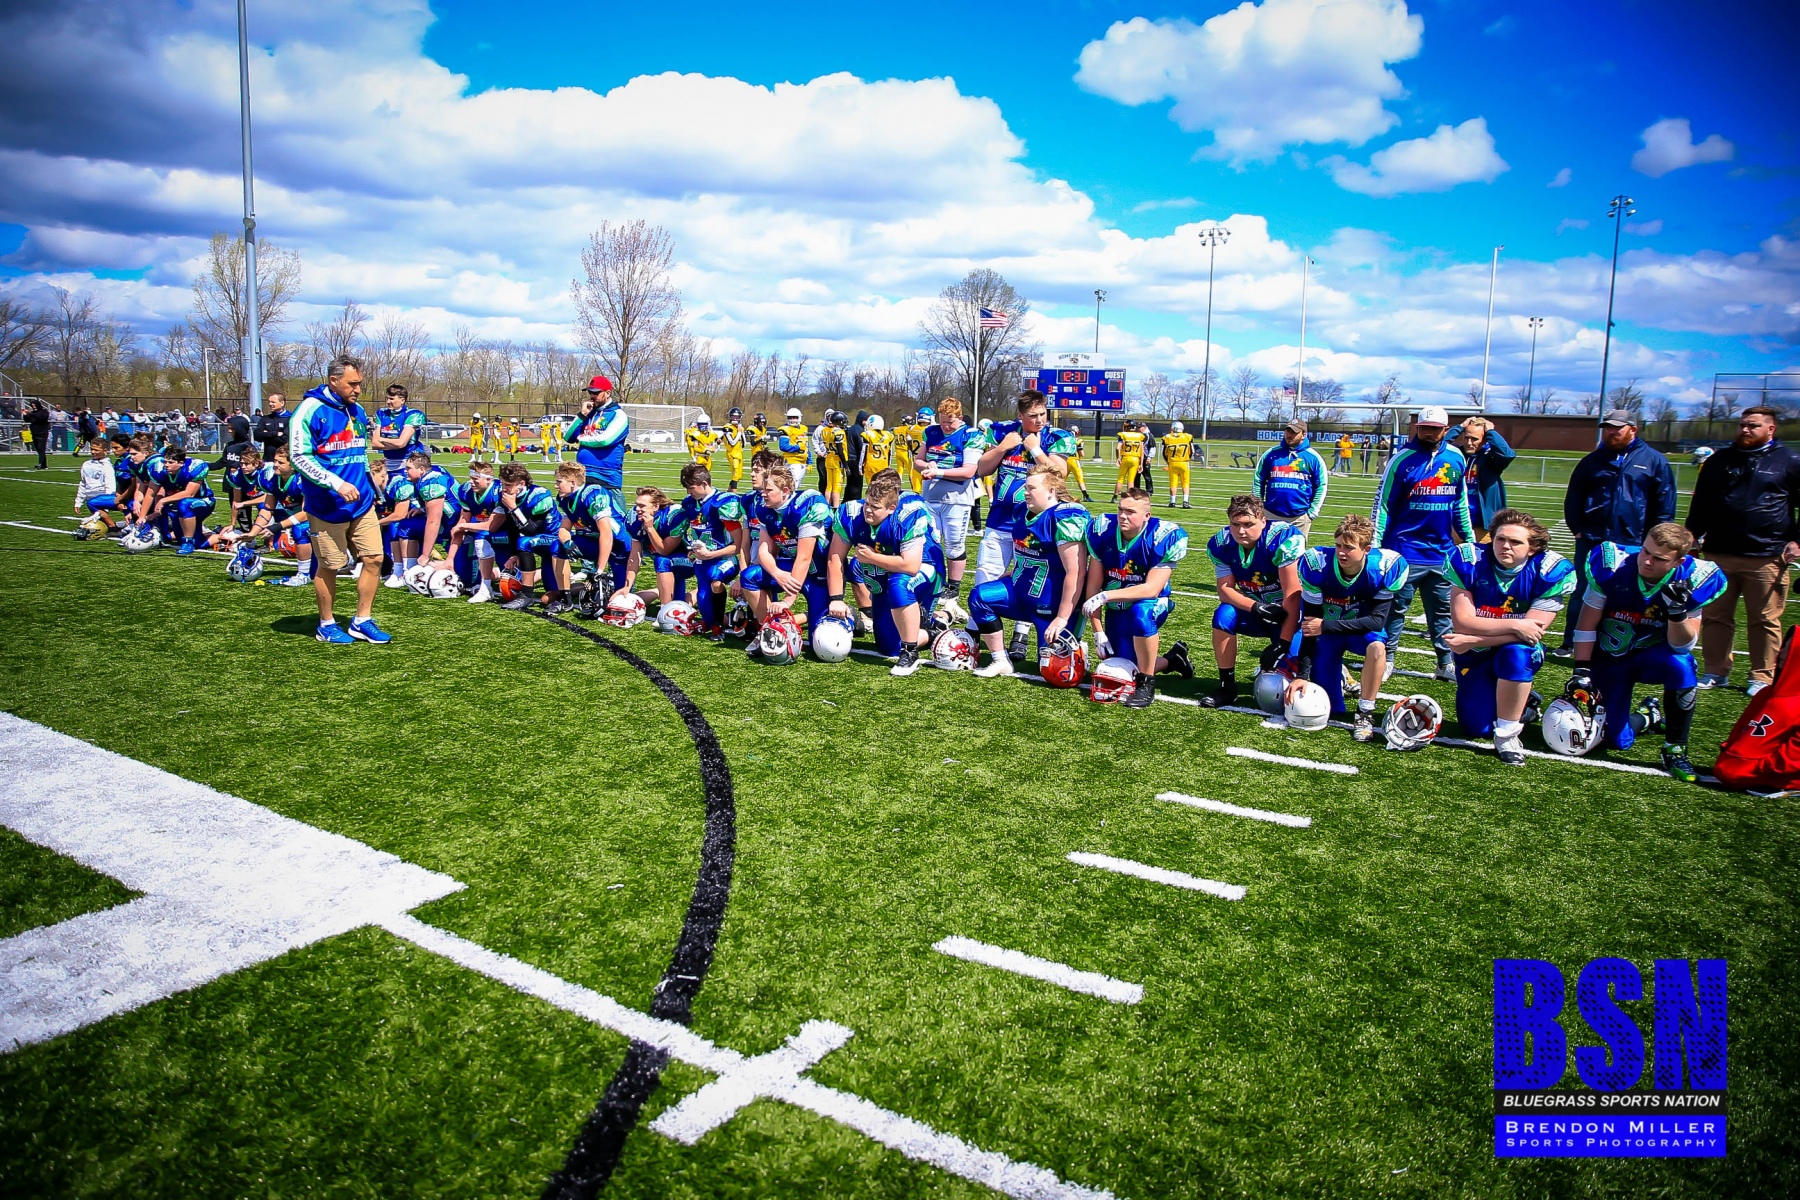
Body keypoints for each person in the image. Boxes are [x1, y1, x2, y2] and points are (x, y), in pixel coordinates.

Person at [1569, 523, 1727, 782]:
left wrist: (1677, 613)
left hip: (1653, 657)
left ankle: (1675, 749)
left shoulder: (1693, 578)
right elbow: (1586, 624)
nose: (1647, 561)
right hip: (1611, 656)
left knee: (1682, 664)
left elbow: (1682, 646)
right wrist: (1582, 669)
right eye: (1645, 551)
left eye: (1659, 558)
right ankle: (1647, 717)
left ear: (1679, 562)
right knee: (1614, 739)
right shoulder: (1613, 566)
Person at [1442, 509, 1574, 765]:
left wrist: (1475, 639)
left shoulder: (1548, 570)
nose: (1505, 546)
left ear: (1532, 548)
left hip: (1511, 650)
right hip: (1476, 655)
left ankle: (1508, 735)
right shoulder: (1470, 561)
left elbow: (1531, 635)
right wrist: (1516, 623)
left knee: (1517, 654)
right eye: (1500, 539)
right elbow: (1464, 622)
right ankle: (1525, 703)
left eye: (1515, 542)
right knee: (1476, 728)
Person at [1685, 405, 1800, 696]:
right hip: (1718, 552)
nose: (1745, 430)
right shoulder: (1719, 460)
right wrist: (1692, 536)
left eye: (1753, 425)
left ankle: (1762, 676)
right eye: (1742, 424)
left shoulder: (1790, 461)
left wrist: (1797, 542)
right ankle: (1715, 670)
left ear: (1771, 429)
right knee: (1715, 616)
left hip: (1767, 554)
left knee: (1764, 619)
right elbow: (1702, 503)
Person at [1557, 409, 1677, 655]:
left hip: (1634, 541)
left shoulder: (1654, 461)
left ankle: (1622, 642)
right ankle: (1571, 642)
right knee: (1584, 590)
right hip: (1593, 539)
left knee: (1628, 592)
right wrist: (1577, 528)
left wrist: (1655, 539)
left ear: (1633, 429)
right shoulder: (1591, 461)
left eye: (1617, 427)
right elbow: (1574, 496)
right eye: (1608, 427)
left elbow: (1664, 502)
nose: (1611, 432)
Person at [1371, 405, 1475, 681]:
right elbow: (1383, 504)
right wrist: (1376, 545)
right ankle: (1387, 658)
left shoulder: (1456, 458)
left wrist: (1469, 540)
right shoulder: (1401, 459)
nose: (1429, 432)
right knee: (1395, 609)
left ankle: (1444, 662)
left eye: (1434, 428)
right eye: (1424, 427)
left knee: (1442, 611)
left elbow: (1460, 502)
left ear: (1445, 429)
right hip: (1404, 549)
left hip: (1442, 552)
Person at [291, 357, 388, 644]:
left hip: (362, 503)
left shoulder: (357, 411)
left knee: (374, 558)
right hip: (327, 505)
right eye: (352, 384)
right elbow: (299, 457)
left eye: (360, 383)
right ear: (333, 381)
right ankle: (326, 624)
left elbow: (358, 453)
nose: (358, 389)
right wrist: (336, 483)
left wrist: (370, 487)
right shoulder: (309, 410)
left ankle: (362, 620)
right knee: (331, 565)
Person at [974, 390, 1077, 657]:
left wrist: (1035, 449)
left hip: (1035, 525)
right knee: (986, 576)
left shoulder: (1057, 437)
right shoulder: (1003, 432)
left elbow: (1059, 475)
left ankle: (1021, 634)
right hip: (1000, 520)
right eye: (1033, 415)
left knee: (1030, 580)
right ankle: (979, 635)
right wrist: (1002, 447)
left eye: (1043, 414)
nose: (1040, 419)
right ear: (1020, 415)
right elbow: (982, 469)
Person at [969, 463, 1091, 678]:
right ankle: (1000, 660)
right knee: (980, 597)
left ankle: (1078, 645)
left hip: (1052, 605)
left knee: (1057, 674)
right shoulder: (1022, 511)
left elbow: (1076, 572)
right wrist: (1018, 569)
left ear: (1051, 491)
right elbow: (1027, 547)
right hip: (1021, 592)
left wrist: (1062, 618)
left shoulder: (1066, 518)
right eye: (1026, 487)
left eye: (1031, 488)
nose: (1025, 493)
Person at [1298, 513, 1409, 741]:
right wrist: (1302, 675)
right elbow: (1310, 626)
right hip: (1328, 636)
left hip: (1360, 632)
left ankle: (1365, 712)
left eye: (1349, 548)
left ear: (1366, 549)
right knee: (1330, 708)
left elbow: (1377, 621)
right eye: (1338, 545)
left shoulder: (1383, 568)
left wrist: (1326, 625)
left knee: (1378, 648)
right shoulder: (1317, 565)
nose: (1341, 552)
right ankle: (1340, 676)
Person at [1081, 487, 1194, 707]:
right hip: (1117, 607)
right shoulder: (1102, 530)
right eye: (1121, 510)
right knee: (1122, 666)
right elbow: (1093, 586)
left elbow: (1151, 589)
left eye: (1131, 512)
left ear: (1146, 515)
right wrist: (1098, 631)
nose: (1123, 516)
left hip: (1151, 603)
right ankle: (1173, 660)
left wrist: (1106, 596)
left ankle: (1147, 684)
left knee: (1141, 615)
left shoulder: (1163, 536)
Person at [828, 468, 944, 675]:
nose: (868, 510)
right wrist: (836, 598)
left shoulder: (908, 514)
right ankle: (932, 631)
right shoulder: (850, 513)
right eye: (867, 504)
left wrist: (872, 558)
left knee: (900, 584)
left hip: (924, 569)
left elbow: (910, 566)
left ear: (891, 508)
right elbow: (835, 556)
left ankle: (910, 651)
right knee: (889, 646)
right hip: (882, 572)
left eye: (875, 507)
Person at [1200, 494, 1304, 709]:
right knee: (1224, 614)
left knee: (1287, 686)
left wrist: (1283, 643)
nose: (1241, 531)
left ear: (1263, 521)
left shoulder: (1282, 539)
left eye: (1248, 524)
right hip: (1259, 610)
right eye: (1235, 524)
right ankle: (1227, 686)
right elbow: (1225, 591)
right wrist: (1256, 607)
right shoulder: (1221, 544)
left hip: (1292, 616)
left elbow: (1293, 596)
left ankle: (1337, 673)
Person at [741, 454, 833, 652]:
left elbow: (805, 557)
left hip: (819, 574)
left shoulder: (805, 506)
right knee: (749, 576)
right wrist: (777, 572)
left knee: (819, 645)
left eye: (768, 490)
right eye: (763, 489)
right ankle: (770, 629)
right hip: (792, 567)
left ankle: (846, 617)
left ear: (785, 491)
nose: (763, 494)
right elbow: (765, 550)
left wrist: (787, 600)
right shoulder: (764, 509)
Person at [917, 399, 986, 617]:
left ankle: (953, 588)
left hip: (958, 498)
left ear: (960, 417)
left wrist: (938, 472)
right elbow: (917, 461)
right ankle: (932, 581)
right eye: (943, 421)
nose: (946, 426)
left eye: (951, 421)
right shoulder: (931, 432)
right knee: (929, 543)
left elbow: (968, 471)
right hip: (931, 496)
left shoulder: (970, 435)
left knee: (954, 545)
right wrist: (926, 465)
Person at [675, 462, 749, 637]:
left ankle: (719, 626)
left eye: (691, 487)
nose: (688, 492)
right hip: (703, 561)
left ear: (704, 484)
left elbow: (738, 545)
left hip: (724, 559)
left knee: (716, 582)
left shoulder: (721, 503)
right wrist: (691, 550)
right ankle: (734, 619)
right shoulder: (689, 503)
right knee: (706, 610)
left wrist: (710, 554)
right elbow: (689, 532)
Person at [553, 462, 630, 601]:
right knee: (557, 546)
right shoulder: (566, 498)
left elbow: (607, 534)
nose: (556, 486)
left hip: (619, 544)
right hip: (594, 541)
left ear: (572, 482)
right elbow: (564, 528)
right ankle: (565, 598)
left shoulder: (594, 494)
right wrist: (567, 542)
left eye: (559, 482)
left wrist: (599, 570)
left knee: (620, 598)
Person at [492, 462, 564, 609]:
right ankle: (581, 588)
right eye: (502, 484)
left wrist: (514, 508)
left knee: (524, 542)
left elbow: (531, 530)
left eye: (508, 485)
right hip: (537, 543)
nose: (504, 488)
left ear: (521, 484)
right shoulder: (505, 496)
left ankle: (527, 595)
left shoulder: (539, 495)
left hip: (555, 541)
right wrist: (515, 554)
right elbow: (512, 527)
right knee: (550, 593)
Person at [1253, 417, 1330, 538]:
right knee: (1266, 549)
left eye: (1294, 432)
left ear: (1304, 435)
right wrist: (1259, 507)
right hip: (1270, 515)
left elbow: (1321, 485)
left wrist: (1311, 513)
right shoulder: (1271, 454)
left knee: (1296, 550)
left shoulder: (1313, 458)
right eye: (1288, 431)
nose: (1289, 435)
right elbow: (1258, 480)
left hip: (1299, 518)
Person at [565, 377, 631, 514]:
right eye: (590, 392)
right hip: (583, 476)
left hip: (606, 477)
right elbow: (568, 437)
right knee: (582, 521)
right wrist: (582, 414)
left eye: (596, 392)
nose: (592, 396)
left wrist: (581, 438)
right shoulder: (588, 414)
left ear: (607, 393)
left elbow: (605, 440)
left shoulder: (618, 415)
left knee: (616, 522)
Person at [251, 447, 315, 587]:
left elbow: (306, 513)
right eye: (275, 461)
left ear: (293, 466)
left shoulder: (303, 480)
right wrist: (252, 533)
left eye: (280, 462)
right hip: (303, 517)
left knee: (300, 529)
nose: (275, 465)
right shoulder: (271, 478)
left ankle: (304, 574)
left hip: (323, 516)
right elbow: (267, 509)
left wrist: (277, 527)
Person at [627, 483, 696, 610]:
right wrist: (627, 587)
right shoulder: (634, 518)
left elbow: (664, 550)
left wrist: (650, 528)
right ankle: (662, 592)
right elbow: (634, 557)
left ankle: (665, 609)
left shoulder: (672, 516)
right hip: (666, 568)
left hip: (687, 560)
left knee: (662, 561)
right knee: (680, 605)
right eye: (637, 504)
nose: (637, 509)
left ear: (656, 506)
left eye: (642, 506)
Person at [143, 437, 215, 554]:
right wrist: (142, 517)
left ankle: (188, 542)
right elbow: (150, 494)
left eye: (170, 462)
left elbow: (189, 493)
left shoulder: (194, 467)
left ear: (181, 463)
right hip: (177, 505)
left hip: (203, 501)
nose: (166, 465)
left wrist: (163, 500)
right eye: (165, 462)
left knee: (184, 503)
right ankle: (221, 537)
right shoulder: (158, 470)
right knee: (197, 542)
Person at [1451, 417, 1517, 541]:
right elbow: (1437, 447)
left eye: (1474, 439)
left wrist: (1491, 432)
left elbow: (1507, 454)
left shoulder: (1491, 458)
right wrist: (1459, 428)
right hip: (1455, 524)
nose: (1469, 442)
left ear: (1485, 439)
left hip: (1484, 527)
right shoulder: (1456, 455)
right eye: (1466, 437)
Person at [404, 451, 463, 575]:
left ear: (421, 469)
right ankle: (407, 570)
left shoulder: (431, 483)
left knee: (464, 574)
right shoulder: (431, 472)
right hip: (448, 522)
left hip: (455, 526)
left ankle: (497, 573)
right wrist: (423, 509)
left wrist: (425, 555)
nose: (405, 471)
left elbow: (433, 521)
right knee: (406, 525)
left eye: (408, 468)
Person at [451, 460, 501, 602]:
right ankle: (490, 578)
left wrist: (464, 526)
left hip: (508, 531)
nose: (471, 482)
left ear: (488, 479)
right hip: (485, 528)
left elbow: (491, 526)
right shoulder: (466, 491)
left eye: (475, 479)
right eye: (470, 478)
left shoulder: (498, 492)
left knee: (515, 581)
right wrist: (449, 559)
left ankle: (486, 588)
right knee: (464, 576)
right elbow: (463, 521)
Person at [373, 384, 428, 475]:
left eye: (391, 399)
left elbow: (401, 443)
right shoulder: (381, 413)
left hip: (409, 460)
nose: (388, 401)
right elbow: (375, 444)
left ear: (402, 400)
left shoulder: (413, 414)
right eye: (387, 398)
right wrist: (396, 444)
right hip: (389, 460)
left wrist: (382, 439)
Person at [72, 438, 119, 537]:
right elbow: (83, 483)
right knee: (99, 518)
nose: (93, 452)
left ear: (105, 450)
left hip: (101, 495)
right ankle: (112, 528)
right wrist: (78, 502)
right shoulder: (86, 464)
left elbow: (110, 484)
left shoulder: (106, 466)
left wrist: (108, 499)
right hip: (90, 495)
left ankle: (113, 528)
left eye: (96, 450)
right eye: (92, 449)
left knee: (100, 515)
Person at [775, 406, 811, 489]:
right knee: (793, 485)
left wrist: (809, 461)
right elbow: (783, 446)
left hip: (802, 461)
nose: (792, 420)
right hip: (792, 461)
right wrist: (798, 447)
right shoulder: (785, 429)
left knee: (796, 485)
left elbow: (806, 446)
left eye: (794, 417)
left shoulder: (804, 428)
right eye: (790, 417)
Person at [819, 410, 850, 506]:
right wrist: (846, 465)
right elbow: (840, 451)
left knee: (829, 486)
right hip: (837, 460)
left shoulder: (824, 430)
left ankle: (827, 506)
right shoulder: (838, 432)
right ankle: (836, 509)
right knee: (837, 487)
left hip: (828, 458)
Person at [1161, 421, 1194, 507]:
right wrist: (1187, 459)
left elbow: (1163, 453)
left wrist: (1168, 462)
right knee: (1185, 482)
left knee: (1173, 483)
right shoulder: (1187, 436)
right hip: (1184, 462)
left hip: (1172, 462)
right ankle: (1185, 502)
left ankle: (1172, 502)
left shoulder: (1167, 437)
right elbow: (1192, 451)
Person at [1060, 420, 1094, 501]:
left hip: (1064, 460)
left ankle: (1059, 495)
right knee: (1080, 478)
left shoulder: (1064, 440)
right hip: (1074, 461)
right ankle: (1085, 496)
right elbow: (1082, 454)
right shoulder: (1078, 440)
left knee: (1061, 479)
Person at [253, 393, 291, 465]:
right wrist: (275, 433)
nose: (270, 404)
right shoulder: (265, 419)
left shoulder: (290, 419)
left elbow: (285, 439)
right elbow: (257, 436)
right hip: (268, 460)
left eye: (273, 402)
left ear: (282, 403)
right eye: (269, 402)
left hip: (284, 462)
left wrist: (266, 435)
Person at [1113, 420, 1146, 501]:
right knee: (1131, 480)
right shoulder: (1140, 436)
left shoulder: (1123, 435)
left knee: (1121, 478)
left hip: (1126, 458)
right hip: (1135, 459)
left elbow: (1117, 448)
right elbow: (1142, 451)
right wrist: (1141, 463)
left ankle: (1115, 497)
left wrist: (1118, 458)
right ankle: (1129, 497)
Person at [858, 414, 895, 480]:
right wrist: (888, 466)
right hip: (883, 465)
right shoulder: (888, 435)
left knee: (872, 485)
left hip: (871, 466)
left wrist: (860, 467)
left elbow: (863, 452)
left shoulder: (867, 435)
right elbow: (889, 453)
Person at [722, 407, 749, 491]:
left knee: (739, 476)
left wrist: (741, 432)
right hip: (732, 453)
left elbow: (744, 443)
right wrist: (739, 433)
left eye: (737, 417)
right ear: (730, 416)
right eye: (733, 416)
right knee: (735, 474)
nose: (735, 419)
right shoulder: (727, 427)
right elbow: (732, 442)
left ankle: (728, 492)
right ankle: (734, 494)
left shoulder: (739, 427)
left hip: (739, 453)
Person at [23, 399, 49, 469]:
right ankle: (43, 464)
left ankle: (41, 464)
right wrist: (25, 415)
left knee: (41, 448)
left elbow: (42, 418)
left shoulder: (44, 411)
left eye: (34, 405)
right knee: (38, 449)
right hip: (34, 432)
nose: (33, 406)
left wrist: (31, 414)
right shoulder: (33, 413)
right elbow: (27, 420)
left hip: (42, 432)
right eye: (32, 405)